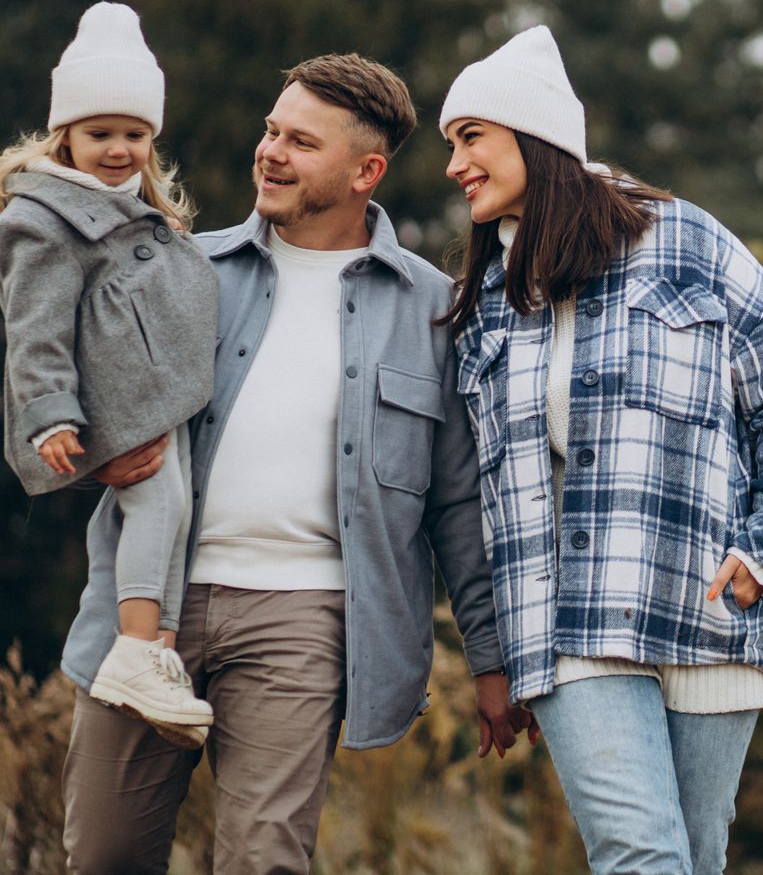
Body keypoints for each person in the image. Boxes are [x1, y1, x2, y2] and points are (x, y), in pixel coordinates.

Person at [57, 52, 526, 875]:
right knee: (102, 856)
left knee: (263, 859)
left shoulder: (433, 309)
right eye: (271, 130)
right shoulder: (179, 267)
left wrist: (489, 660)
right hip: (150, 609)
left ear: (364, 172)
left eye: (300, 142)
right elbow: (75, 391)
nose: (269, 152)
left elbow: (458, 505)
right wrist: (97, 449)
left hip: (306, 617)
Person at [438, 26, 763, 875]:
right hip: (564, 626)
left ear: (533, 139)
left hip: (709, 609)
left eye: (470, 137)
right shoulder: (483, 305)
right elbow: (467, 496)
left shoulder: (688, 244)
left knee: (696, 857)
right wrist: (490, 658)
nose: (452, 164)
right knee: (638, 854)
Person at [0, 2, 217, 749]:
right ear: (66, 135)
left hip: (156, 392)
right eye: (100, 134)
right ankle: (136, 647)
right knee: (153, 507)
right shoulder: (42, 219)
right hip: (113, 402)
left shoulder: (136, 209)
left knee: (175, 509)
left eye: (135, 134)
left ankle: (157, 657)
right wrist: (52, 413)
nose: (119, 150)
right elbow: (35, 330)